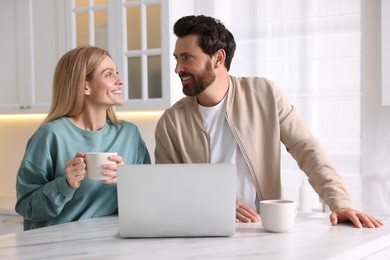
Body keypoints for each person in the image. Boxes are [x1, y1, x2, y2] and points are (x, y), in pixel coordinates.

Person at [154, 15, 383, 228]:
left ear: (218, 58)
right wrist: (210, 205)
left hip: (264, 229)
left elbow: (306, 148)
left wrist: (340, 203)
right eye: (177, 58)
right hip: (204, 231)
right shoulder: (171, 122)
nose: (178, 68)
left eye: (187, 58)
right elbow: (167, 191)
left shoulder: (263, 94)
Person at [15, 46, 151, 230]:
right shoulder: (50, 135)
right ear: (85, 86)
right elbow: (26, 206)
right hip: (58, 248)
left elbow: (148, 200)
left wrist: (126, 179)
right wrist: (65, 184)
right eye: (109, 74)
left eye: (116, 73)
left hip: (110, 245)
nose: (120, 81)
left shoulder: (130, 134)